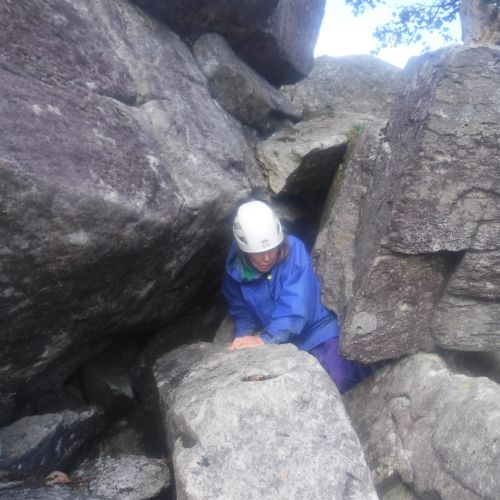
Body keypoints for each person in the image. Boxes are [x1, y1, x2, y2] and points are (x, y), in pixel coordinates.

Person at [222, 200, 372, 394]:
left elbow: (295, 307)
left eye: (272, 249)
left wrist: (265, 339)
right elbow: (240, 309)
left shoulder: (294, 251)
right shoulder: (235, 270)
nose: (267, 258)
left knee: (339, 378)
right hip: (282, 341)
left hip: (317, 330)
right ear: (244, 250)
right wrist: (244, 336)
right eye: (259, 253)